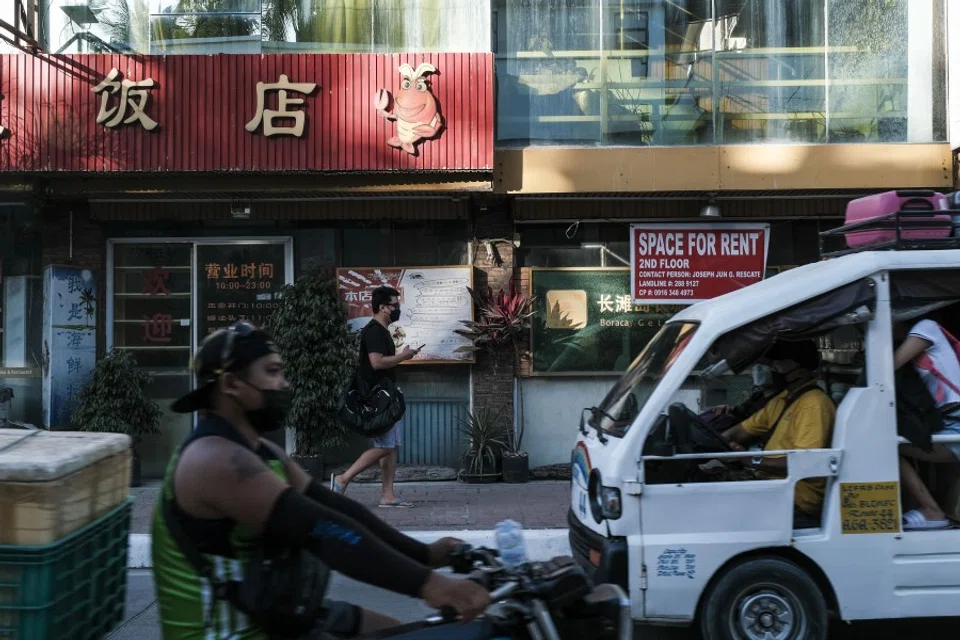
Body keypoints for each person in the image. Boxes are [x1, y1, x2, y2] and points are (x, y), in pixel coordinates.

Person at [151, 321, 490, 639]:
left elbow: (336, 507)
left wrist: (425, 554)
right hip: (233, 631)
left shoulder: (261, 450)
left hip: (275, 613)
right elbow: (320, 528)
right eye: (271, 372)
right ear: (230, 385)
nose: (284, 384)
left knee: (393, 631)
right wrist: (431, 585)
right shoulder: (214, 460)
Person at [721, 340, 837, 528]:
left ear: (801, 368)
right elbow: (739, 432)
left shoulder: (814, 404)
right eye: (771, 363)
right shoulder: (782, 400)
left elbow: (804, 463)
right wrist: (717, 440)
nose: (771, 368)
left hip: (795, 500)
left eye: (778, 362)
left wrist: (750, 460)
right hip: (773, 488)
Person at [332, 286, 421, 507]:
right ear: (382, 307)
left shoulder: (381, 332)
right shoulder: (374, 331)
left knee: (390, 447)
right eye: (394, 305)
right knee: (385, 446)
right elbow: (377, 362)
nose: (397, 308)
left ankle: (387, 496)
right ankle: (342, 479)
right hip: (377, 398)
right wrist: (404, 356)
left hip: (384, 395)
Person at [893, 318, 960, 530]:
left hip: (956, 424)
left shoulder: (926, 328)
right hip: (950, 422)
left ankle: (932, 510)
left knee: (890, 448)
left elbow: (887, 367)